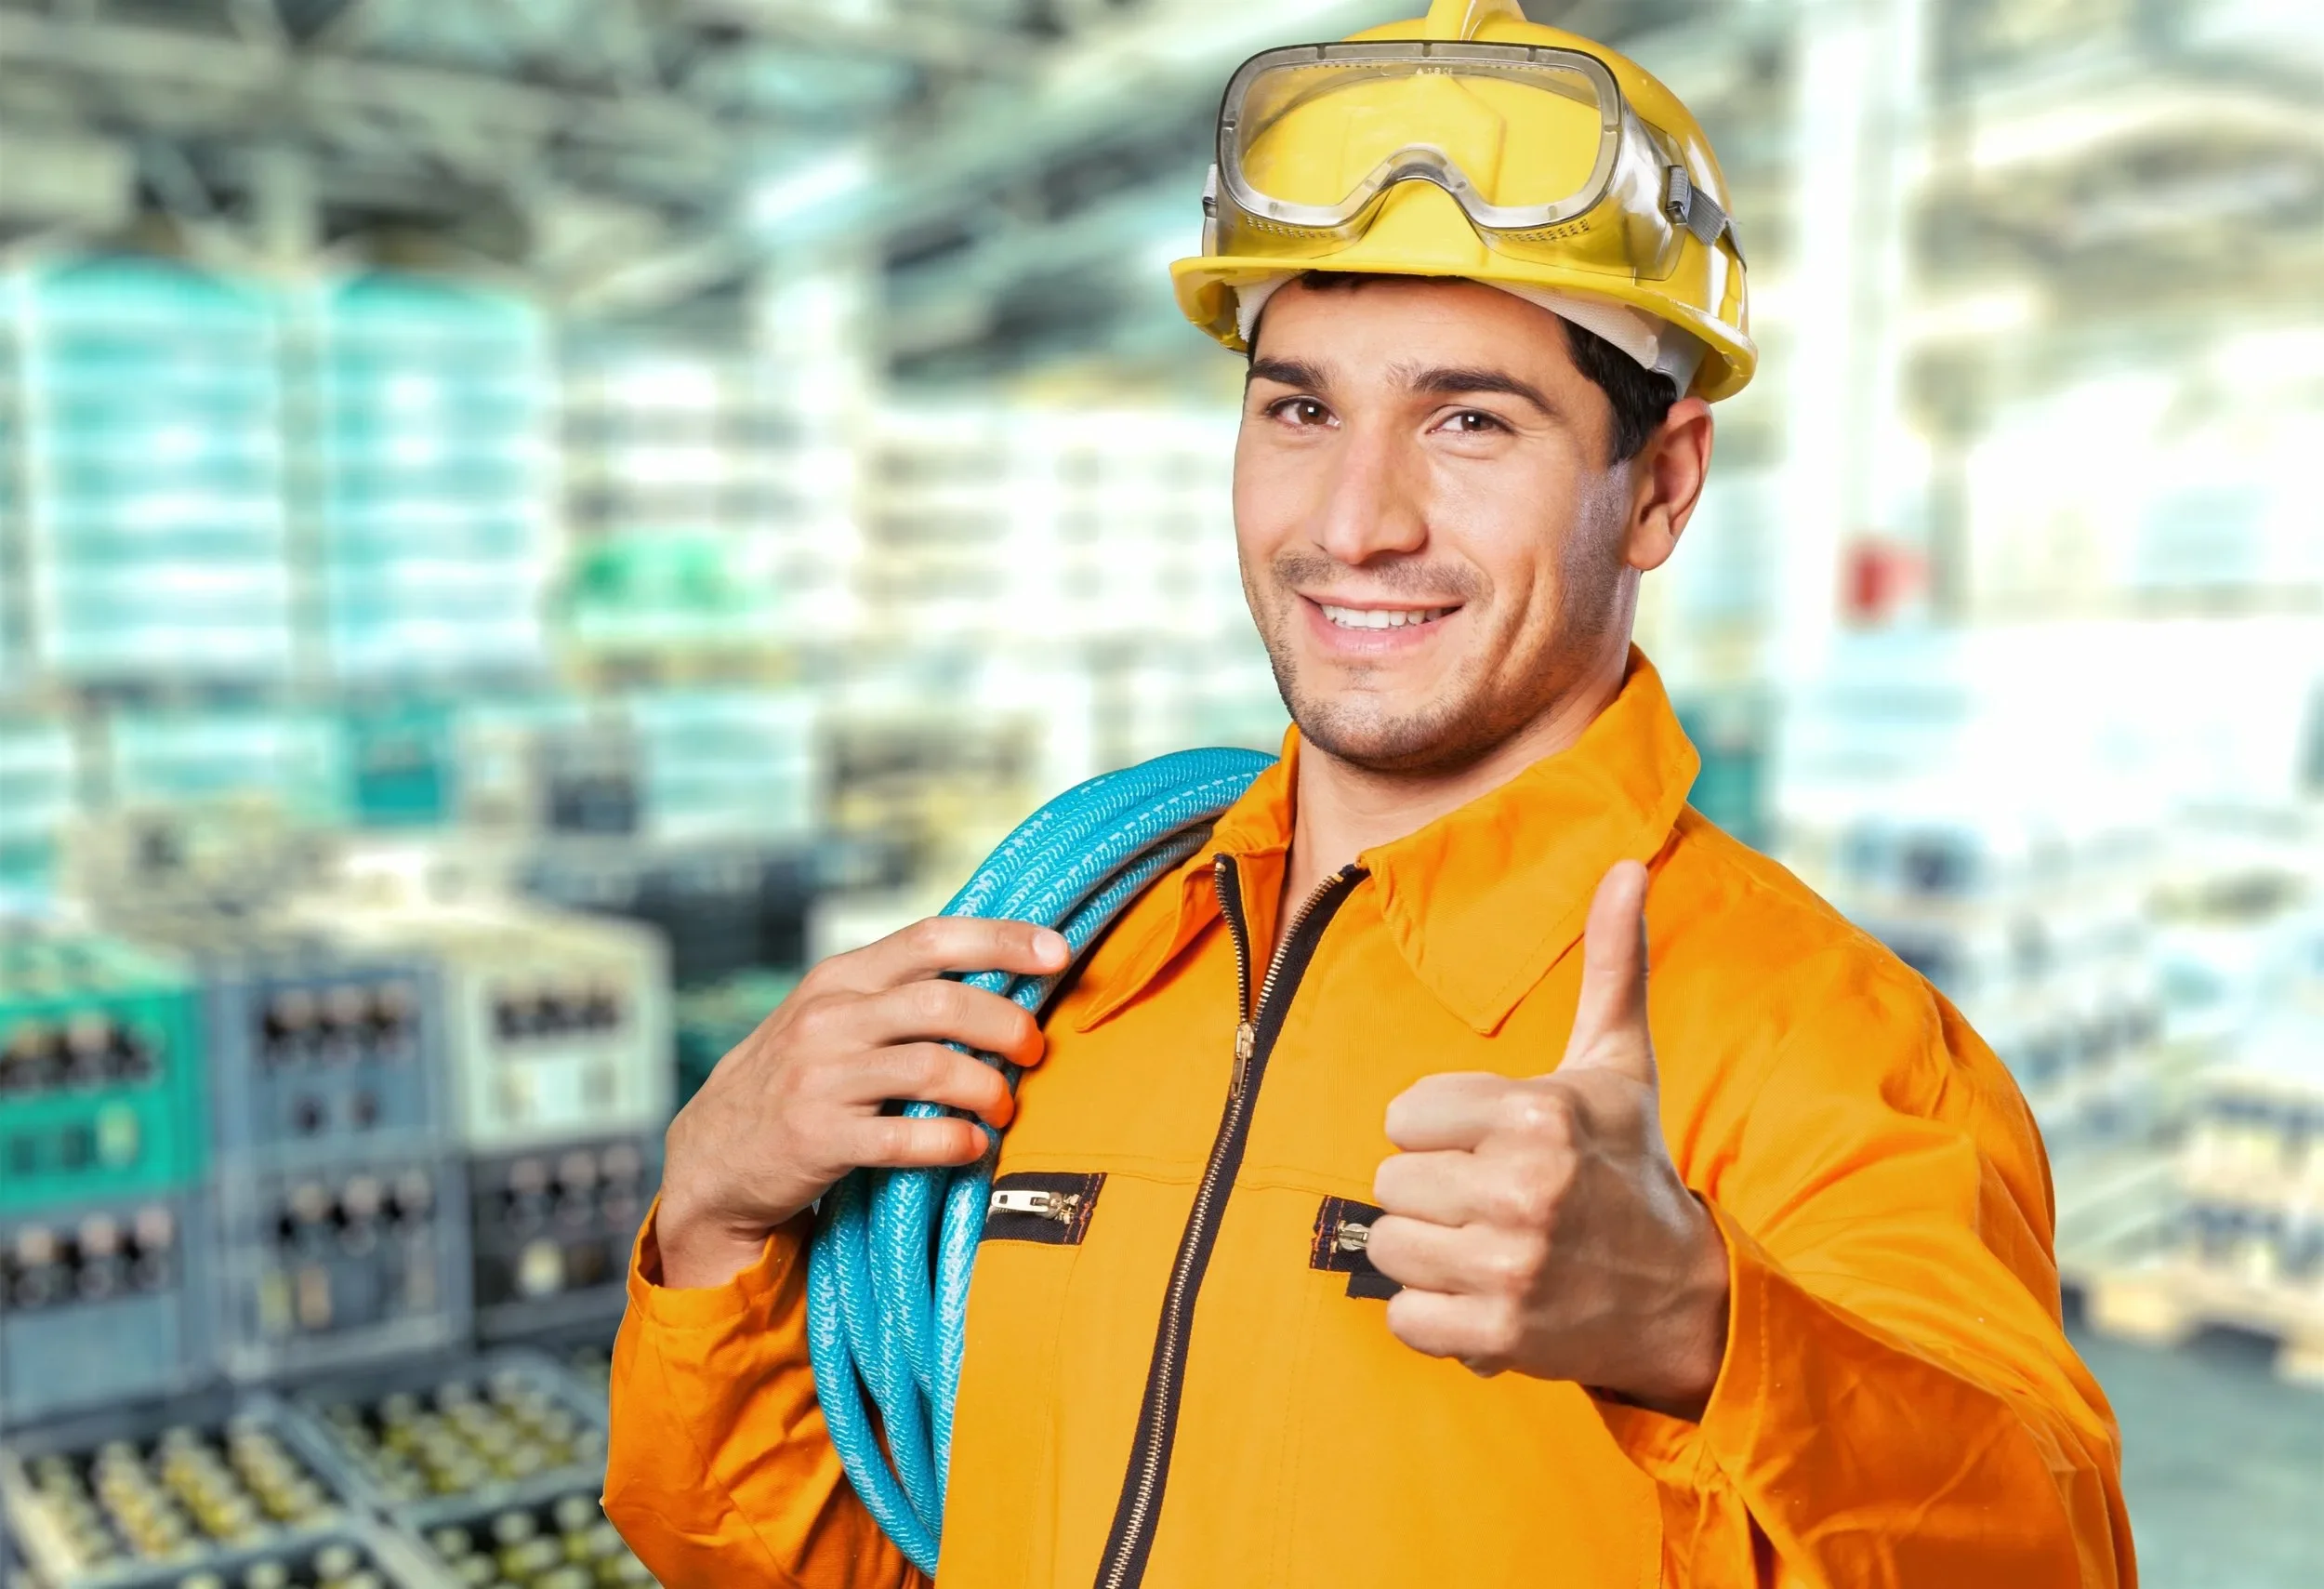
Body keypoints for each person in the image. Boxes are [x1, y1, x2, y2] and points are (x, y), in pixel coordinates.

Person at [601, 1, 2134, 1583]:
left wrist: (1708, 1334)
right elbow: (874, 1553)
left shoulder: (1821, 1050)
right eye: (1300, 407)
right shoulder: (1072, 970)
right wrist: (716, 1223)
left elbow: (2045, 1552)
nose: (1354, 520)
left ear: (1661, 484)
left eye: (1469, 419)